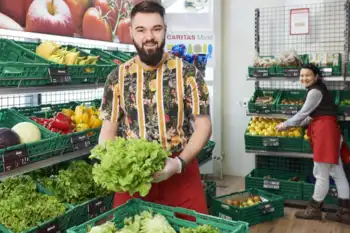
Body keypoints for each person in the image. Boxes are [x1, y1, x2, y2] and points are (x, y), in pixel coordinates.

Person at [98, 1, 212, 218]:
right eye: (141, 30)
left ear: (165, 31)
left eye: (156, 29)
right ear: (131, 32)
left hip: (180, 170)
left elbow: (204, 126)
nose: (149, 36)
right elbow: (108, 131)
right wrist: (111, 163)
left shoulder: (188, 73)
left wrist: (178, 164)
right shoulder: (117, 77)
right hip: (133, 176)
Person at [275, 64, 350, 224]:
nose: (304, 78)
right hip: (330, 131)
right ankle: (345, 212)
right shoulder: (319, 90)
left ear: (316, 76)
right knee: (338, 173)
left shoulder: (315, 91)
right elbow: (314, 116)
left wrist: (286, 124)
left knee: (321, 174)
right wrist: (296, 124)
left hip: (325, 134)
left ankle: (314, 209)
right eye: (301, 75)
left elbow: (303, 113)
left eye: (308, 75)